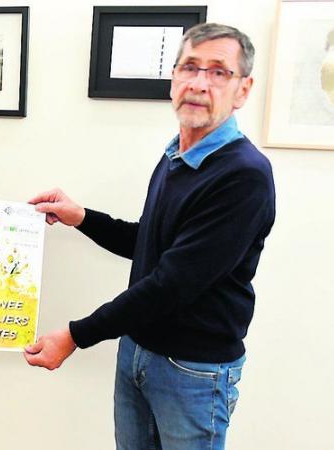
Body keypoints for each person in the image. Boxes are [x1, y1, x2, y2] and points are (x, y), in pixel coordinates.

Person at [25, 23, 275, 449]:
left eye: (218, 72)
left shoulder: (243, 175)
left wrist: (74, 335)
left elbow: (171, 284)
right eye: (189, 67)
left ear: (243, 89)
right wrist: (80, 216)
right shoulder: (176, 153)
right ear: (173, 78)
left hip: (194, 371)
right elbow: (151, 243)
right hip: (138, 351)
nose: (199, 82)